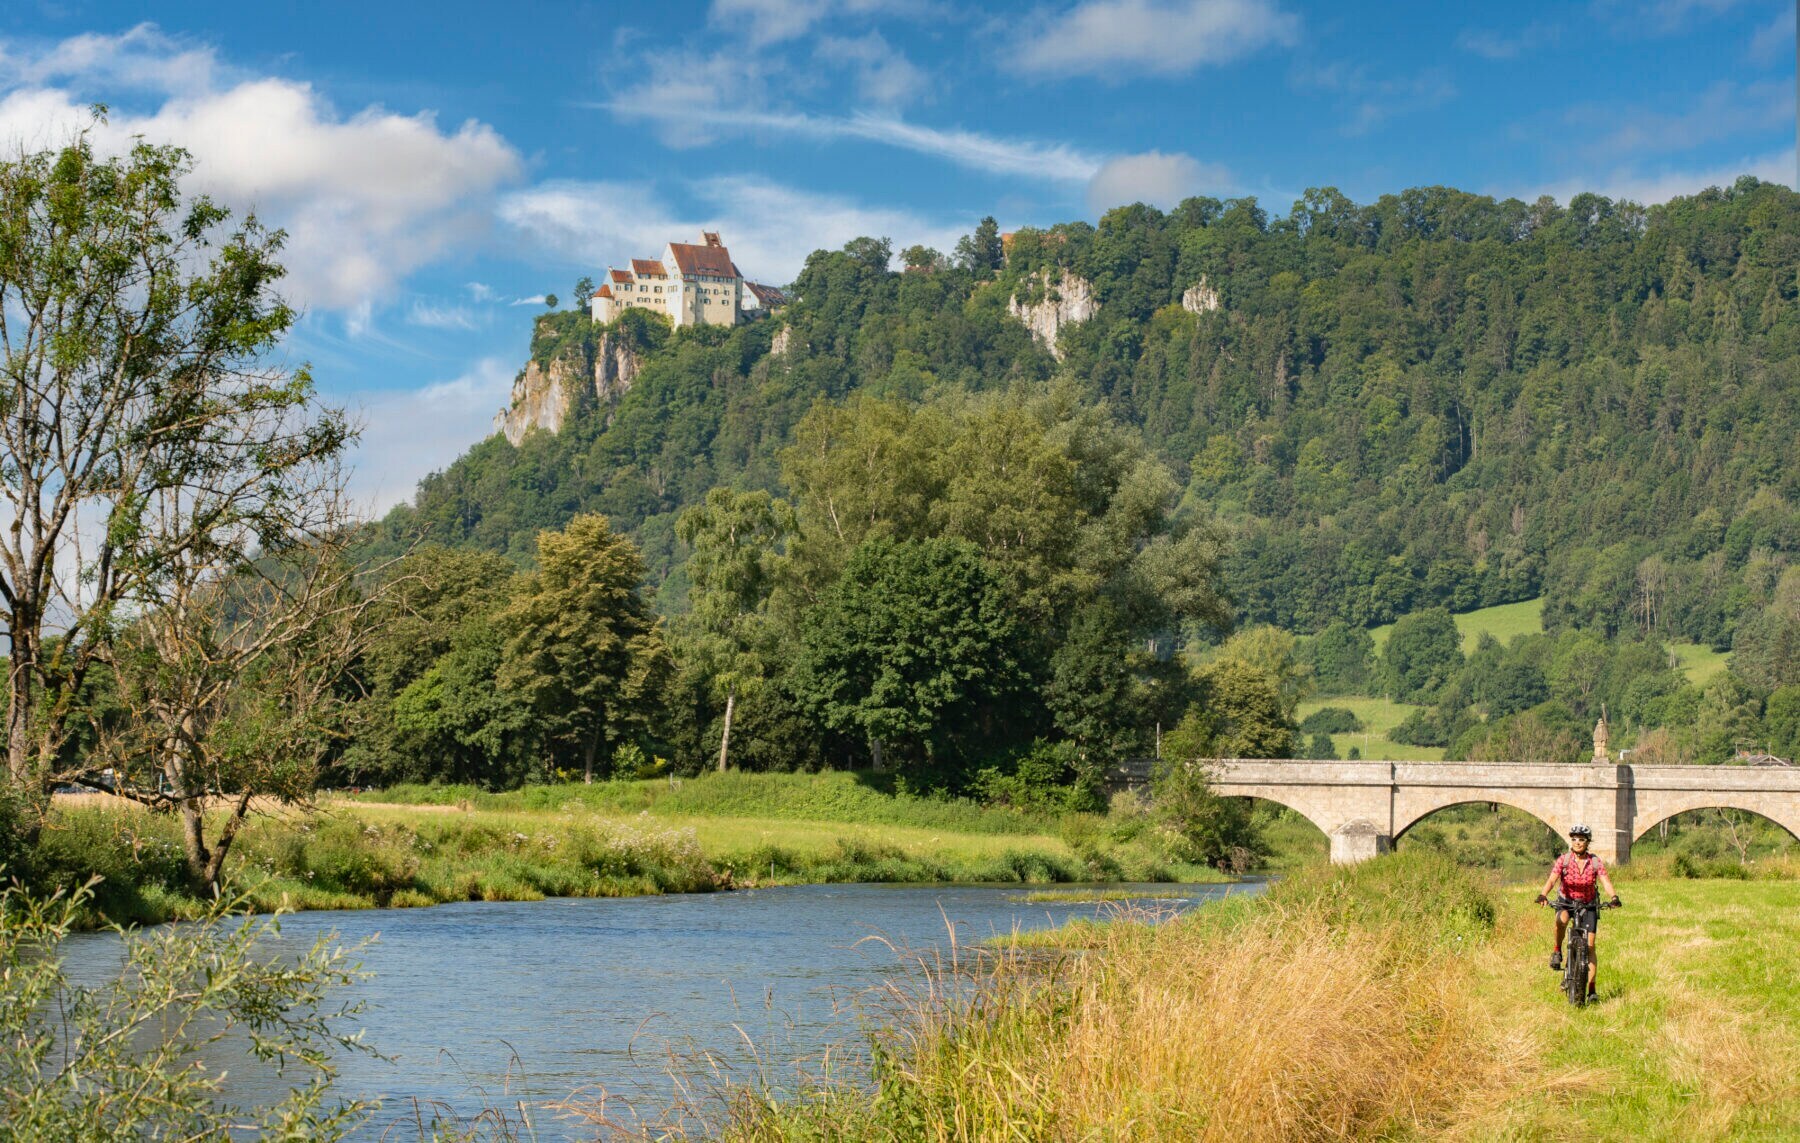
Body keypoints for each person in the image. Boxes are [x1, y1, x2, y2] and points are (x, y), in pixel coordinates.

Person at [1535, 824, 1622, 998]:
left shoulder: (1595, 862)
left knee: (1589, 947)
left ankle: (1591, 990)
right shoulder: (1564, 860)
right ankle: (1557, 950)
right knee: (1562, 919)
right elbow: (1552, 879)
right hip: (1566, 901)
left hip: (1588, 904)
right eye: (1574, 839)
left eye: (1581, 839)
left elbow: (1605, 881)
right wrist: (1543, 894)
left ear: (1587, 842)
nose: (1577, 842)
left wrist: (1614, 897)